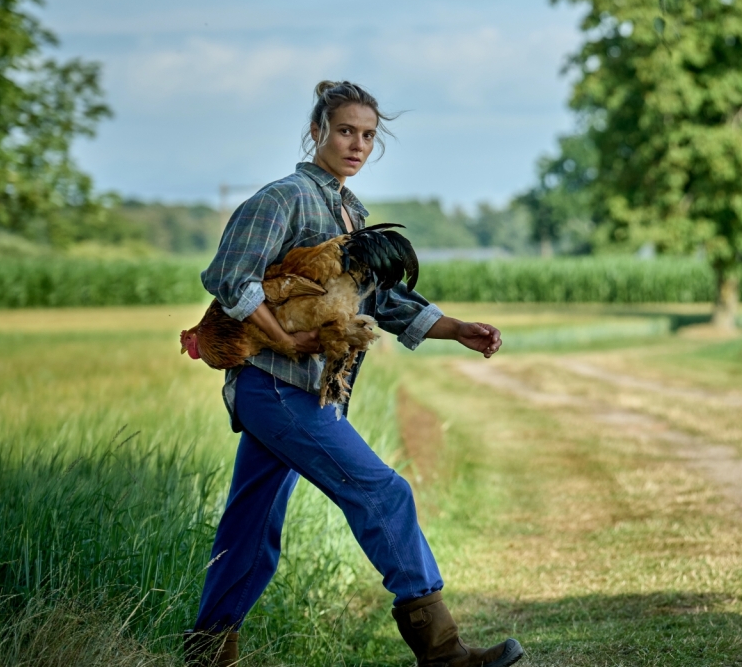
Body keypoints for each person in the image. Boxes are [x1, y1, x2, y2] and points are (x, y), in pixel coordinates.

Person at [184, 80, 523, 667]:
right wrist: (286, 337)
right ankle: (443, 653)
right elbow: (230, 277)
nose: (357, 144)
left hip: (301, 389)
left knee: (250, 527)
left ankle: (204, 654)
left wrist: (454, 327)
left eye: (368, 135)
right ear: (317, 130)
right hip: (278, 386)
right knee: (382, 491)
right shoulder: (283, 198)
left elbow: (380, 303)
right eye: (346, 131)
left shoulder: (349, 210)